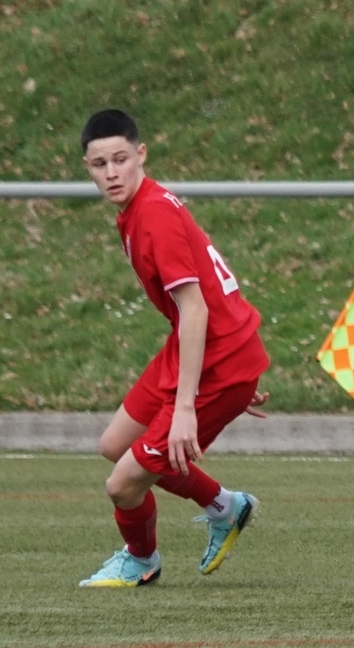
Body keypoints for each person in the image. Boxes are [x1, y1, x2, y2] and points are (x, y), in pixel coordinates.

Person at [78, 109, 271, 587]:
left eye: (120, 159)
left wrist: (190, 405)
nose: (111, 172)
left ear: (141, 154)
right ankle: (226, 506)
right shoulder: (138, 209)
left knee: (122, 486)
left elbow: (196, 308)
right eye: (100, 164)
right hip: (207, 351)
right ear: (88, 168)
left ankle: (141, 561)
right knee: (114, 446)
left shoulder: (154, 215)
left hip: (218, 360)